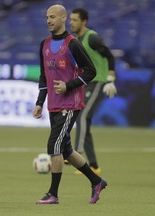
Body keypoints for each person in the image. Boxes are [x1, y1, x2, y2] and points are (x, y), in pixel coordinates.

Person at [32, 4, 107, 204]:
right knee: (65, 149)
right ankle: (96, 181)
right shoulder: (44, 44)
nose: (49, 20)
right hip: (53, 105)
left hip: (70, 104)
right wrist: (40, 102)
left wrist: (68, 86)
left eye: (53, 17)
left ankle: (53, 194)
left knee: (54, 144)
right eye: (47, 17)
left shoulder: (72, 44)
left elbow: (90, 71)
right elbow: (43, 76)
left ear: (63, 18)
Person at [69, 8, 117, 174]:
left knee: (82, 116)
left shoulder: (92, 38)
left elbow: (110, 56)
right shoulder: (76, 39)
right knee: (85, 124)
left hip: (97, 81)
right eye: (71, 19)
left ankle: (76, 153)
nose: (71, 22)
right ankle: (94, 166)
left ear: (84, 22)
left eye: (75, 20)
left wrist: (111, 78)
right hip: (86, 82)